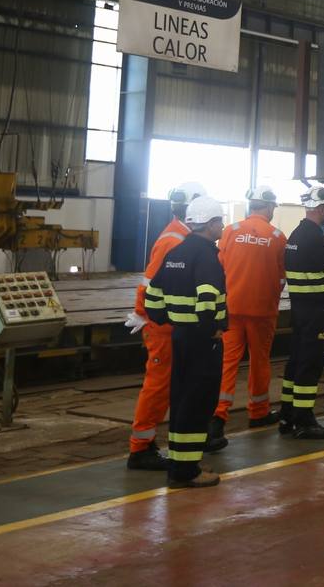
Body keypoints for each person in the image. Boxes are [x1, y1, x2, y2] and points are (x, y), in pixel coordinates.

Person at [143, 196, 227, 489]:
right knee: (199, 403)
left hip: (180, 336)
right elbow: (207, 301)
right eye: (220, 221)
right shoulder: (207, 257)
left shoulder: (176, 252)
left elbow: (152, 300)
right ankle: (187, 471)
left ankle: (180, 462)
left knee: (180, 401)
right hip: (203, 342)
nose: (223, 226)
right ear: (211, 224)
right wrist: (211, 330)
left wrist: (173, 319)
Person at [126, 184, 205, 472]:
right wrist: (141, 313)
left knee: (165, 385)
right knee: (158, 386)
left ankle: (147, 443)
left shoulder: (179, 235)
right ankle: (140, 448)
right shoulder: (175, 241)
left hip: (168, 324)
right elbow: (150, 282)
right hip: (162, 327)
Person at [208, 185, 286, 448]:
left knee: (227, 363)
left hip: (231, 309)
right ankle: (258, 412)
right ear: (268, 207)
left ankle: (217, 419)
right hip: (262, 311)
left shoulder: (230, 231)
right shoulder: (276, 236)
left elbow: (218, 267)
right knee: (259, 361)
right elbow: (282, 277)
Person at [279, 186, 324, 439]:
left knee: (295, 363)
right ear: (322, 209)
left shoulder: (294, 236)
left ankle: (287, 416)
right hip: (316, 311)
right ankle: (304, 420)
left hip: (299, 309)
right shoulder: (316, 240)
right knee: (310, 364)